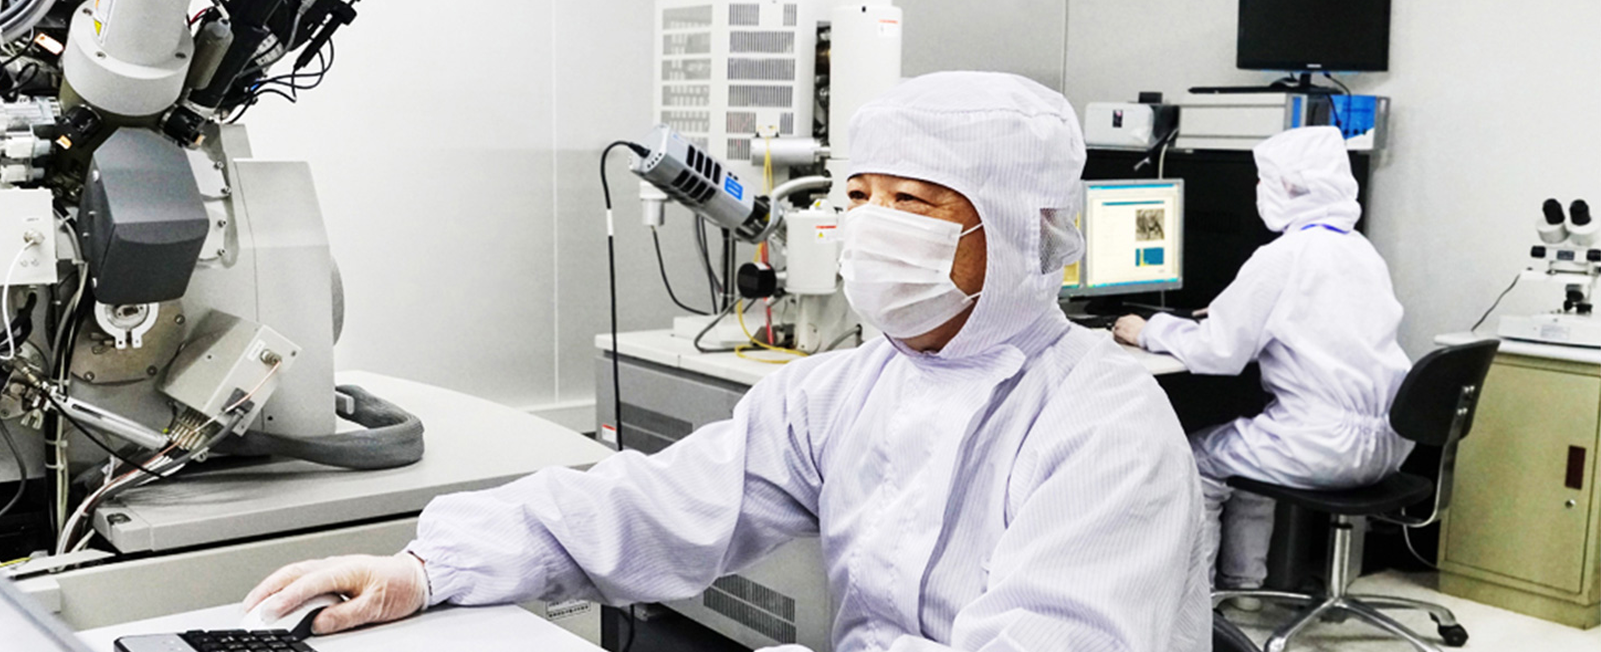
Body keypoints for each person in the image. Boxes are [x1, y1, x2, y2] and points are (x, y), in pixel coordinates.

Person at [245, 72, 1210, 651]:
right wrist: (429, 566)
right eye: (860, 196)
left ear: (1023, 232)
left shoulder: (1103, 426)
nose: (872, 228)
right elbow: (661, 501)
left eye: (913, 202)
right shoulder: (845, 389)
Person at [1112, 125, 1414, 603]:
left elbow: (1219, 352)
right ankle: (1247, 590)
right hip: (1389, 442)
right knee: (1252, 461)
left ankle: (1199, 605)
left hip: (1324, 446)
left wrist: (1148, 330)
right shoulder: (1360, 251)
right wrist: (1238, 312)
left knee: (1198, 459)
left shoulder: (1283, 256)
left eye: (1264, 180)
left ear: (1288, 185)